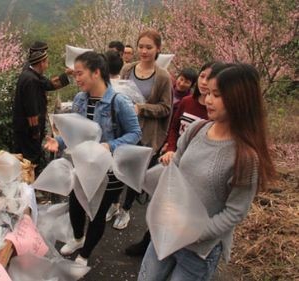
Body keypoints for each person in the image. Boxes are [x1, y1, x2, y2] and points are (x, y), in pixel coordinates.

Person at [138, 63, 275, 281]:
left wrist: (194, 232)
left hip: (199, 251)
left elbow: (235, 212)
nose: (208, 100)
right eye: (208, 92)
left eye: (217, 95)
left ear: (240, 99)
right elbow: (174, 174)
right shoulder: (197, 129)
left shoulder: (245, 157)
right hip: (167, 233)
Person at [44, 51, 142, 266]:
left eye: (80, 74)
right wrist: (59, 142)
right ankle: (78, 239)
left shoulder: (119, 102)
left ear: (96, 72)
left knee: (96, 214)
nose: (76, 78)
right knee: (77, 205)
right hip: (82, 166)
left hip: (109, 171)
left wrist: (110, 145)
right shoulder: (80, 99)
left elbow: (135, 133)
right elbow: (75, 131)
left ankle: (85, 254)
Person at [108, 29, 172, 232]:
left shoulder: (163, 77)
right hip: (124, 130)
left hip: (146, 134)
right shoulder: (128, 69)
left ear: (158, 49)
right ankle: (114, 203)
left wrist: (141, 108)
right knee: (118, 169)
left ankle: (126, 209)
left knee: (137, 175)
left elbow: (166, 108)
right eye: (141, 46)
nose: (144, 51)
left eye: (149, 47)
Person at [13, 42, 71, 175]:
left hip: (25, 127)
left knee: (27, 158)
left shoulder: (32, 74)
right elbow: (32, 109)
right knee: (29, 160)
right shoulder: (30, 80)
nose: (48, 64)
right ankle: (28, 189)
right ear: (41, 63)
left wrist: (67, 75)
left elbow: (48, 84)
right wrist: (35, 132)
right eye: (46, 61)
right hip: (27, 129)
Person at [161, 62, 223, 164]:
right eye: (202, 76)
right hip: (173, 157)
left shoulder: (216, 112)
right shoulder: (186, 101)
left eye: (209, 79)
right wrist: (170, 149)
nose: (203, 82)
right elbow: (174, 128)